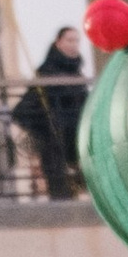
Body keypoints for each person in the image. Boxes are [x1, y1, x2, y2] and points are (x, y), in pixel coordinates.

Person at [13, 27, 88, 199]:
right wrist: (45, 128)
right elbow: (24, 109)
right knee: (61, 197)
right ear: (58, 42)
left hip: (75, 144)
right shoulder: (46, 72)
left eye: (77, 41)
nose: (74, 45)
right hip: (55, 145)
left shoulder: (77, 72)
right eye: (69, 40)